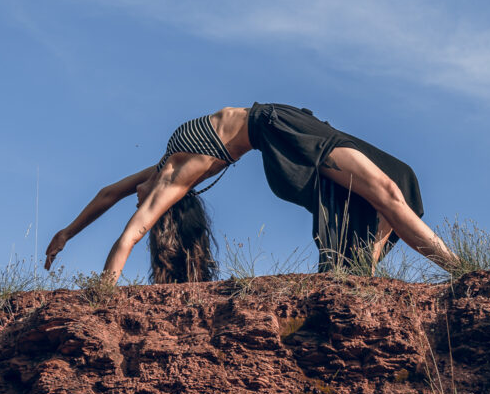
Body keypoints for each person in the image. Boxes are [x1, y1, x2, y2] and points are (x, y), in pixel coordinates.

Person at [44, 103, 458, 283]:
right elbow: (130, 235)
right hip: (280, 135)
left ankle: (359, 274)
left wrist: (67, 231)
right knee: (385, 191)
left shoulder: (165, 165)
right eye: (143, 201)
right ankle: (460, 269)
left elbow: (107, 193)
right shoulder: (173, 180)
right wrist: (106, 287)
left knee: (394, 180)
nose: (137, 197)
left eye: (139, 197)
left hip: (285, 123)